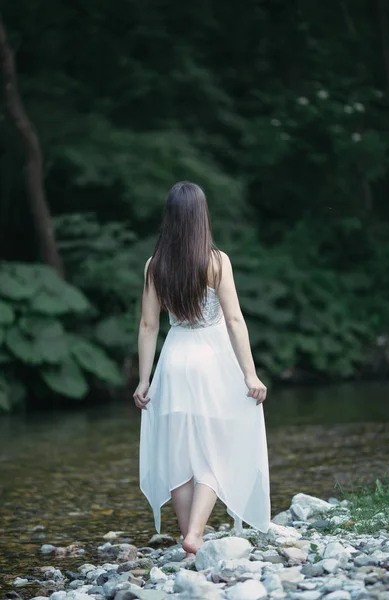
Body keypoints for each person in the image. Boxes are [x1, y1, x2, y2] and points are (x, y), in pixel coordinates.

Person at [133, 181, 270, 557]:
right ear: (200, 217)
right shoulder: (215, 260)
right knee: (216, 449)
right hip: (212, 360)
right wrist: (250, 373)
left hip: (174, 360)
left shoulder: (154, 265)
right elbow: (235, 320)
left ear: (171, 218)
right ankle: (195, 532)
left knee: (178, 453)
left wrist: (144, 380)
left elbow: (148, 326)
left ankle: (188, 535)